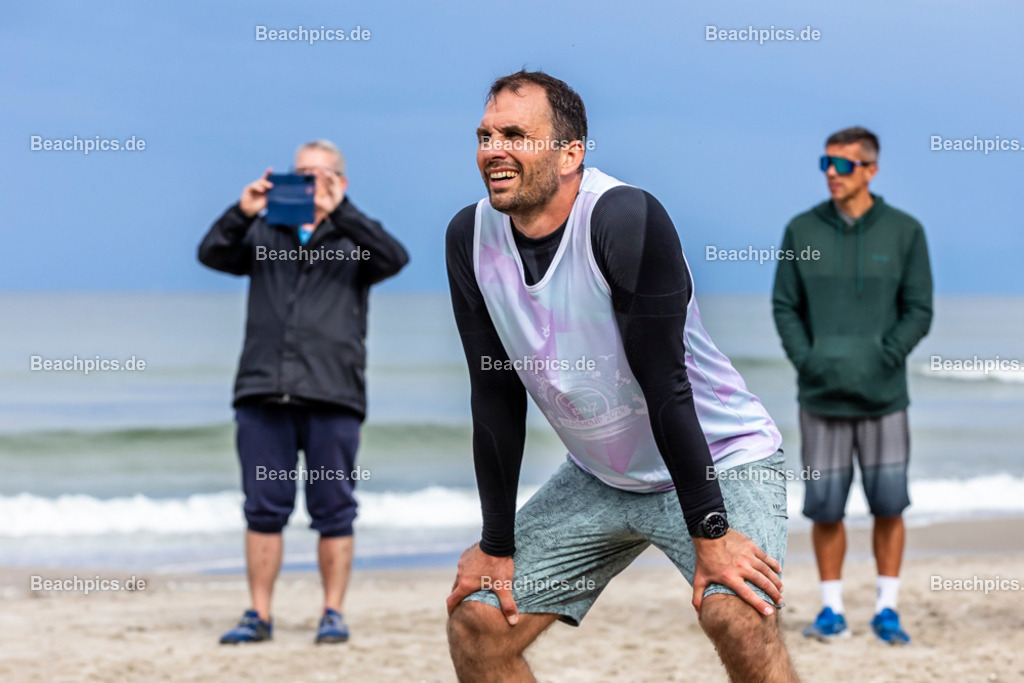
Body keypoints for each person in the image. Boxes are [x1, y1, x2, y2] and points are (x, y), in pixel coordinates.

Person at [444, 70, 799, 682]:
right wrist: (495, 543)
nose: (493, 150)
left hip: (720, 458)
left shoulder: (622, 218)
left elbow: (665, 384)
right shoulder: (470, 237)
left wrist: (711, 529)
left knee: (736, 614)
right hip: (601, 476)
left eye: (515, 135)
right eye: (484, 135)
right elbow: (495, 393)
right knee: (479, 624)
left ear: (569, 154)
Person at [198, 139, 409, 644]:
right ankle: (259, 615)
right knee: (262, 508)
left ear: (340, 181)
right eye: (299, 173)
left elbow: (394, 258)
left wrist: (344, 211)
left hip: (332, 394)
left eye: (318, 174)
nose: (307, 182)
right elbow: (211, 254)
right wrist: (242, 209)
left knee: (334, 508)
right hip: (263, 392)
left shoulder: (353, 237)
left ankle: (332, 612)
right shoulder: (263, 229)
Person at [772, 127, 933, 644]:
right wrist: (808, 360)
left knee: (889, 505)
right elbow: (784, 306)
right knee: (825, 507)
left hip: (885, 398)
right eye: (826, 164)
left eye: (842, 166)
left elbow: (919, 309)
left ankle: (887, 608)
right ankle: (831, 609)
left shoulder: (905, 231)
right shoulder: (801, 230)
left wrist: (885, 356)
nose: (831, 175)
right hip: (820, 398)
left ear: (870, 169)